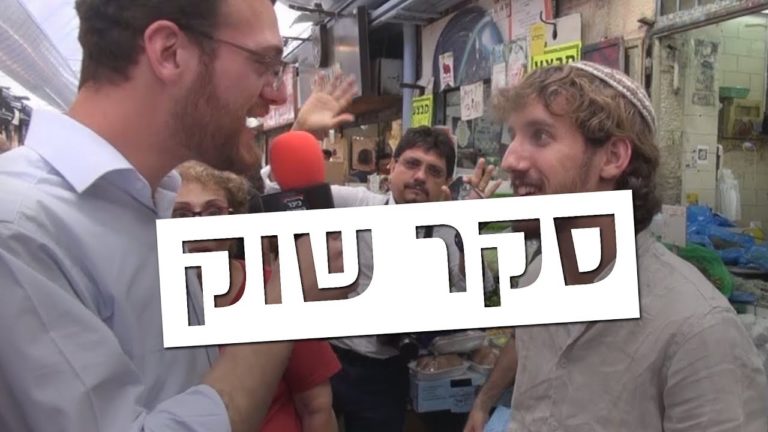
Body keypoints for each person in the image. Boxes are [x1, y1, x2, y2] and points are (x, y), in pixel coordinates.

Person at [0, 1, 357, 431]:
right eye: (263, 63)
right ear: (169, 52)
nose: (277, 95)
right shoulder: (19, 229)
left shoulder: (151, 200)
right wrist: (284, 304)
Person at [463, 61, 768, 431]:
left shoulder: (697, 330)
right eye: (513, 137)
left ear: (612, 157)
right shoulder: (536, 280)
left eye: (540, 136)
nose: (509, 159)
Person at [278, 126, 500, 432]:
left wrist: (468, 231)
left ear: (446, 183)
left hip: (388, 370)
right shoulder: (357, 204)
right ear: (392, 167)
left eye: (434, 171)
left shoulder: (447, 229)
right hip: (329, 357)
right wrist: (301, 130)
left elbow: (475, 290)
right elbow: (280, 193)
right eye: (412, 163)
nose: (420, 176)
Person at [173, 161, 341, 432]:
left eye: (214, 212)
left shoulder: (273, 287)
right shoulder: (147, 299)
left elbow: (317, 407)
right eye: (181, 215)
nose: (199, 226)